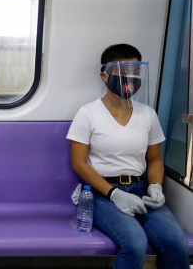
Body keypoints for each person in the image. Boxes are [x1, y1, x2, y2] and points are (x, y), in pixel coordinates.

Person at [68, 43, 189, 269]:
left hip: (140, 190)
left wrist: (155, 186)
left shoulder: (148, 114)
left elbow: (154, 159)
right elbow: (79, 163)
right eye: (123, 73)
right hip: (102, 193)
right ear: (105, 75)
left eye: (136, 72)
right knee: (134, 244)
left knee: (176, 244)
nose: (130, 79)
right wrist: (114, 194)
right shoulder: (88, 114)